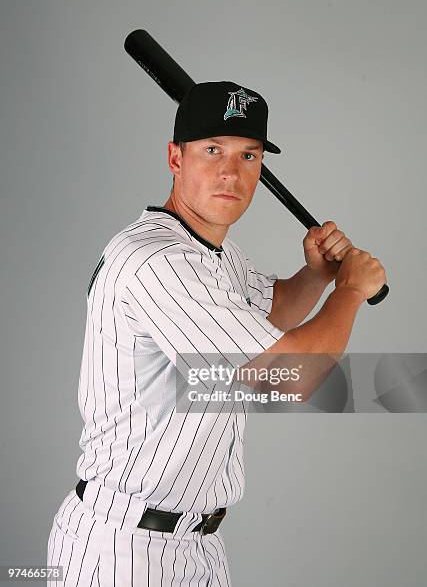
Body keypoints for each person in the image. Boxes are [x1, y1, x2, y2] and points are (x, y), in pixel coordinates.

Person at [46, 81, 386, 586]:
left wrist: (315, 275)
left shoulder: (210, 253)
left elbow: (268, 315)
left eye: (248, 155)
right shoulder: (159, 261)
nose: (231, 172)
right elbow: (291, 375)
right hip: (123, 548)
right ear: (175, 157)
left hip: (196, 545)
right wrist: (350, 292)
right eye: (212, 150)